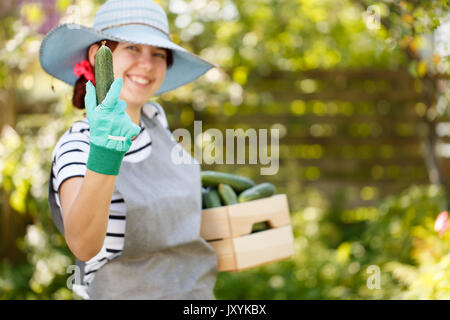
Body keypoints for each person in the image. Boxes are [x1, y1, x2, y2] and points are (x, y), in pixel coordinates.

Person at [39, 0, 218, 300]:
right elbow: (83, 245)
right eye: (132, 48)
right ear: (100, 56)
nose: (147, 64)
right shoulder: (77, 146)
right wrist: (105, 152)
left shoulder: (156, 121)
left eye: (158, 54)